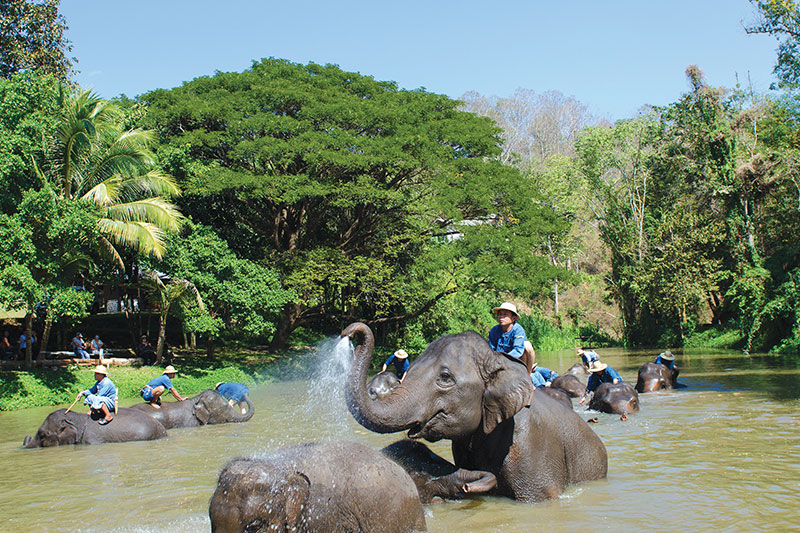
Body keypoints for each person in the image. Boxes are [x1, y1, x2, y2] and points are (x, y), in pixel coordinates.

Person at [487, 302, 536, 367]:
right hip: (499, 361)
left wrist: (503, 359)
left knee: (527, 345)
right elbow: (491, 349)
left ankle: (528, 373)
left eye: (505, 315)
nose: (501, 317)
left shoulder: (518, 330)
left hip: (515, 360)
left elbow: (518, 350)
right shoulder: (494, 330)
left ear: (513, 318)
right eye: (500, 314)